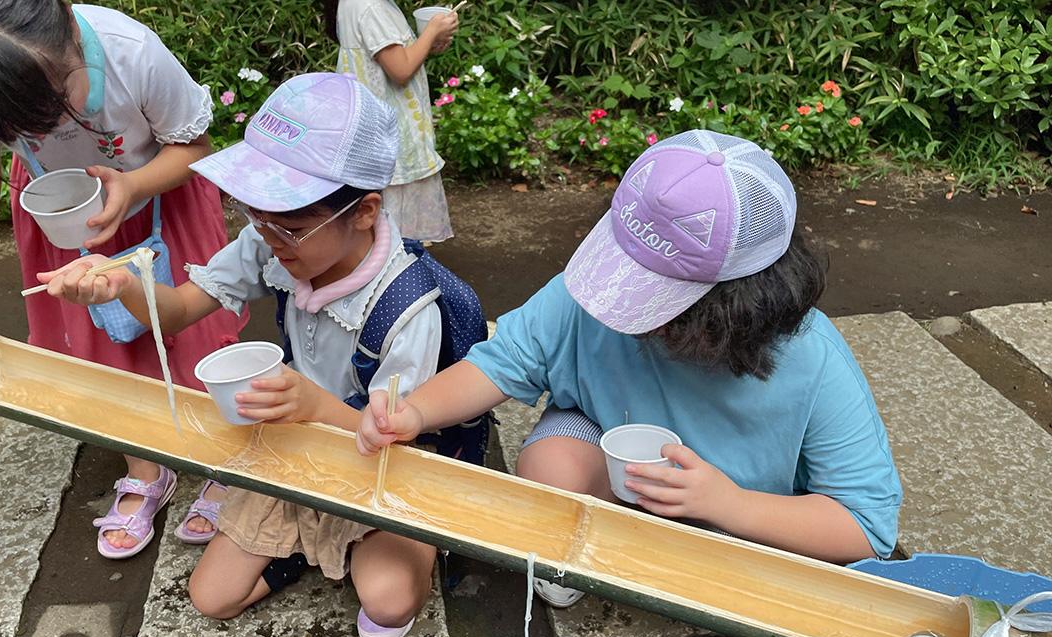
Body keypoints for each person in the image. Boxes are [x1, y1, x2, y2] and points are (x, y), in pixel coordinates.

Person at [356, 129, 903, 608]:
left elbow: (866, 525)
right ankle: (604, 553)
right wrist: (416, 411)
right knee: (551, 470)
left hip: (751, 506)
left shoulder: (812, 359)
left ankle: (693, 550)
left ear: (742, 306)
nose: (624, 309)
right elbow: (500, 364)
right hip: (609, 438)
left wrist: (728, 503)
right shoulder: (586, 298)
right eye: (628, 277)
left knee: (755, 563)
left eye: (654, 299)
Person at [40, 73, 445, 637]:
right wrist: (121, 282)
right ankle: (307, 547)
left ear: (365, 211)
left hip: (377, 462)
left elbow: (394, 435)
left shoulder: (408, 307)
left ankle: (404, 545)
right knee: (212, 597)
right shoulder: (271, 243)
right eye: (255, 215)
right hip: (296, 453)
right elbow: (179, 308)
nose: (268, 236)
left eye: (291, 225)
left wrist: (311, 405)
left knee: (388, 603)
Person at [0, 0, 244, 558]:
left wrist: (132, 188)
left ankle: (215, 455)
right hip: (63, 224)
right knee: (101, 347)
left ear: (64, 18)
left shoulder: (129, 50)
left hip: (160, 201)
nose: (57, 120)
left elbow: (195, 147)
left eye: (58, 94)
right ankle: (146, 463)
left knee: (187, 331)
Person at [325, 0, 458, 242]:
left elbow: (399, 55)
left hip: (373, 130)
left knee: (376, 228)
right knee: (397, 233)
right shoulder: (372, 7)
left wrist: (431, 40)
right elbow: (401, 70)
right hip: (393, 135)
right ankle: (399, 272)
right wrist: (431, 31)